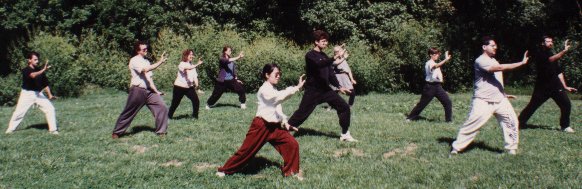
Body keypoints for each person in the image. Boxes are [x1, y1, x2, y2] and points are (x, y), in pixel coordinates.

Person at [216, 64, 305, 180]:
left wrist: (285, 122)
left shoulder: (273, 88)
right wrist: (296, 88)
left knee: (292, 144)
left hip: (274, 127)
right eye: (276, 74)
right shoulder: (264, 90)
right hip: (261, 125)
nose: (278, 76)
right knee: (246, 151)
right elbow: (278, 98)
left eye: (280, 74)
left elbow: (277, 108)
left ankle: (291, 172)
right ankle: (225, 170)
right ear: (267, 75)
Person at [450, 36, 529, 155]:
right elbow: (499, 68)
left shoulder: (493, 60)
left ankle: (511, 148)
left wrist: (504, 94)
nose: (495, 47)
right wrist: (521, 63)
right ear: (484, 47)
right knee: (472, 124)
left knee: (511, 121)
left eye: (495, 46)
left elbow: (495, 80)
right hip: (483, 101)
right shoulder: (480, 60)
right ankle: (456, 148)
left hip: (500, 100)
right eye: (493, 45)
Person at [286, 30, 357, 142]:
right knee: (302, 113)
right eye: (323, 41)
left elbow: (331, 74)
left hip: (326, 90)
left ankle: (345, 134)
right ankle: (283, 130)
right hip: (313, 91)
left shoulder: (324, 55)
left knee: (344, 107)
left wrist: (339, 86)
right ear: (316, 42)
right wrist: (334, 58)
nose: (325, 43)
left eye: (326, 41)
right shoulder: (310, 56)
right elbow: (319, 64)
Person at [518, 36, 576, 133]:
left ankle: (565, 126)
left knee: (566, 104)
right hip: (542, 87)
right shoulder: (539, 53)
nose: (550, 43)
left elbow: (559, 72)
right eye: (548, 41)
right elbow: (550, 60)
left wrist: (565, 86)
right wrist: (564, 51)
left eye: (551, 41)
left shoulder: (552, 53)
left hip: (555, 86)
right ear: (542, 43)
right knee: (532, 105)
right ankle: (519, 122)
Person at [112, 41, 169, 139]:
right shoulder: (134, 60)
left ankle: (161, 132)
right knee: (129, 111)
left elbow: (149, 79)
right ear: (138, 51)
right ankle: (117, 132)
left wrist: (156, 91)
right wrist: (160, 62)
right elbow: (145, 70)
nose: (146, 50)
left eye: (147, 48)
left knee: (162, 107)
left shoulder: (147, 61)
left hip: (149, 91)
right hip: (137, 90)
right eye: (144, 49)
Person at [6, 52, 58, 134]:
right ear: (29, 60)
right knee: (19, 112)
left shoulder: (39, 70)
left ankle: (53, 130)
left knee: (50, 109)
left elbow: (45, 84)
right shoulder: (25, 70)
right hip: (27, 94)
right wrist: (43, 69)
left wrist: (50, 95)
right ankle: (10, 129)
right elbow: (33, 75)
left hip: (38, 94)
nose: (37, 61)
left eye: (38, 59)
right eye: (35, 59)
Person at [406, 48, 453, 122]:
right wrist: (446, 59)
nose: (437, 55)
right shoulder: (429, 63)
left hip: (438, 87)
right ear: (430, 55)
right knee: (422, 104)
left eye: (438, 54)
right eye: (435, 54)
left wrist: (446, 59)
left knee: (447, 102)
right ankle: (410, 118)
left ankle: (449, 121)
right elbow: (436, 66)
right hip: (430, 87)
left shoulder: (434, 62)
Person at [168, 49, 203, 119]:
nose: (192, 56)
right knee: (175, 103)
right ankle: (168, 116)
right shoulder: (182, 64)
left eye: (192, 54)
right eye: (190, 54)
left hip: (189, 87)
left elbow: (195, 77)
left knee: (196, 100)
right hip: (179, 87)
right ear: (186, 56)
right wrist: (198, 64)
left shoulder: (193, 66)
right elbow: (188, 68)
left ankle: (195, 117)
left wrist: (197, 88)